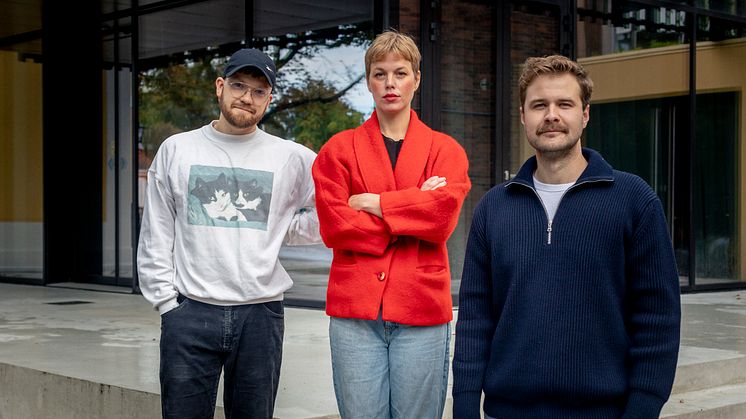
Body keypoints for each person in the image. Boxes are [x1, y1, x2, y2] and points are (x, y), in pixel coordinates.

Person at [452, 54, 681, 418]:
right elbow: (476, 319)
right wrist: (465, 405)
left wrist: (643, 408)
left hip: (604, 411)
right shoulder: (493, 208)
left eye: (565, 104)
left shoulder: (634, 200)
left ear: (585, 114)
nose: (551, 115)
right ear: (523, 115)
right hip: (507, 411)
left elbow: (658, 318)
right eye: (539, 105)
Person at [136, 48, 321, 419]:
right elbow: (157, 232)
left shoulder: (292, 157)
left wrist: (281, 229)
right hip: (190, 312)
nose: (246, 97)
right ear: (220, 87)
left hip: (260, 315)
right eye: (239, 85)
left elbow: (330, 210)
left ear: (269, 99)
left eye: (258, 91)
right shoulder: (178, 150)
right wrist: (167, 304)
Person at [311, 29, 471, 418]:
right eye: (380, 74)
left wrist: (375, 203)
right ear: (368, 81)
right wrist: (414, 206)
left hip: (422, 311)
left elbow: (442, 219)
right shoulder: (338, 149)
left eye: (400, 73)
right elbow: (336, 226)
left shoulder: (445, 150)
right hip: (355, 315)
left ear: (417, 78)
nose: (390, 84)